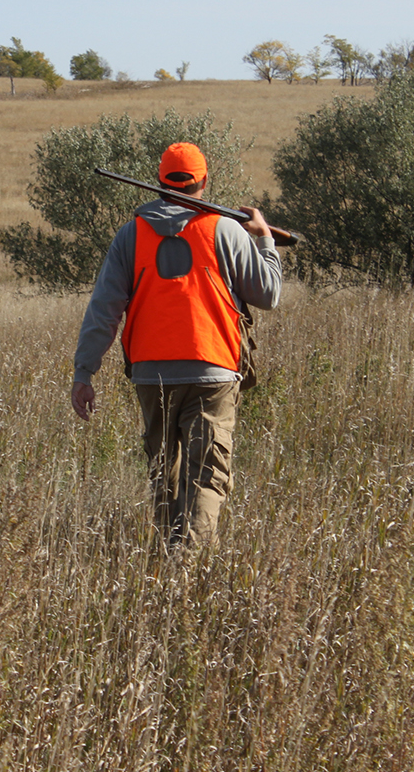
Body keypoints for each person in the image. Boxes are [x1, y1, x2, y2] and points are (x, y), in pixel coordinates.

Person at [70, 142, 283, 549]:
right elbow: (269, 294)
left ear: (160, 182)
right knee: (205, 476)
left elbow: (104, 310)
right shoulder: (227, 229)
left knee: (163, 474)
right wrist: (265, 241)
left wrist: (85, 372)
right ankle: (185, 575)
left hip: (152, 376)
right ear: (204, 182)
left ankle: (168, 560)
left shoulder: (131, 235)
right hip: (213, 370)